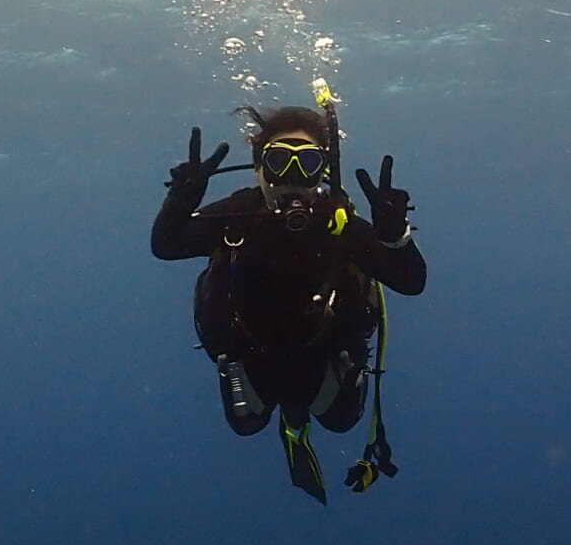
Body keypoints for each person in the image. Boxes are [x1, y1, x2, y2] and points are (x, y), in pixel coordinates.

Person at [151, 95, 426, 500]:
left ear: (324, 171)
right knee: (246, 424)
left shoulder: (339, 223)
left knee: (340, 421)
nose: (293, 178)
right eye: (281, 161)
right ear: (260, 165)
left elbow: (410, 281)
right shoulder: (237, 214)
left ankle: (296, 424)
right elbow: (166, 244)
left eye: (309, 163)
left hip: (324, 354)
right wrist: (180, 202)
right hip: (251, 352)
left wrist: (394, 237)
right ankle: (291, 425)